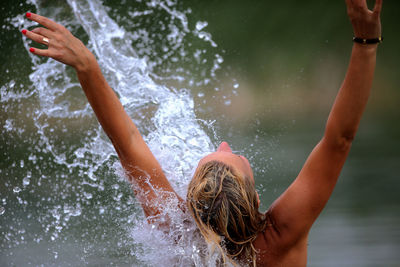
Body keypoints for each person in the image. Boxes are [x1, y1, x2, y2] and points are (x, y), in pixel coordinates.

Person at [21, 0, 383, 265]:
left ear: (191, 207)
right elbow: (339, 138)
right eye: (235, 155)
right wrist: (366, 43)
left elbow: (128, 140)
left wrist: (86, 65)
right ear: (257, 203)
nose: (224, 142)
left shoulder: (177, 233)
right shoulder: (281, 237)